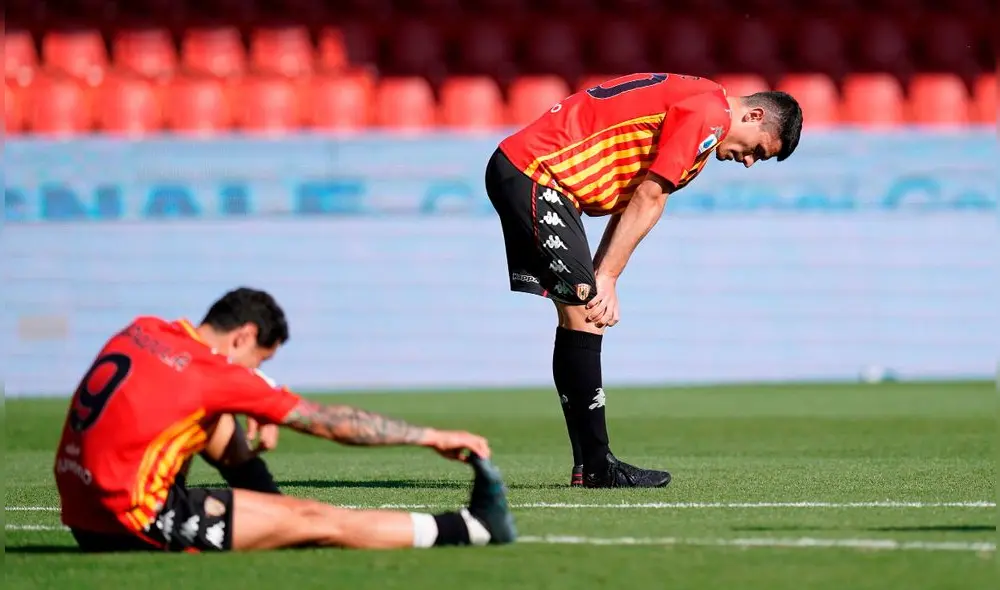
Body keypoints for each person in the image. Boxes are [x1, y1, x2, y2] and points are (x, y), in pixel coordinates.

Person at [484, 72, 803, 488]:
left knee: (584, 313)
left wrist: (603, 272)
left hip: (534, 174)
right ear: (755, 115)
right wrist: (608, 276)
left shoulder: (703, 105)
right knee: (585, 315)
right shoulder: (711, 114)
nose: (747, 162)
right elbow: (651, 196)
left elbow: (635, 196)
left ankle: (591, 466)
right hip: (536, 174)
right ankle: (596, 468)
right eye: (757, 151)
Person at [53, 287, 516, 553]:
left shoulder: (147, 329)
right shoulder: (215, 375)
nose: (254, 373)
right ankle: (470, 527)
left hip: (82, 509)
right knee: (316, 519)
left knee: (215, 421)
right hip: (131, 520)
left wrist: (248, 399)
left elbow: (184, 388)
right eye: (259, 361)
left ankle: (266, 510)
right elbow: (329, 422)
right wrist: (431, 436)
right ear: (244, 336)